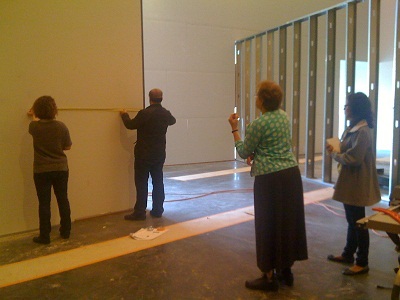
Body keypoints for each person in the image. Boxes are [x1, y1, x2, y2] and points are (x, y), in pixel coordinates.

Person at [228, 80, 308, 292]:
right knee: (287, 223)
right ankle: (286, 270)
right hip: (291, 176)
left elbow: (244, 151)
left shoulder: (258, 124)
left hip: (269, 181)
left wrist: (234, 129)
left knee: (267, 225)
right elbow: (273, 144)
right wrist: (259, 152)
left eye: (257, 95)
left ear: (261, 100)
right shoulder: (284, 117)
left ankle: (268, 276)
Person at [326, 92, 381, 275]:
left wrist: (335, 154)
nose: (345, 109)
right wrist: (336, 147)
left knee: (358, 223)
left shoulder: (363, 131)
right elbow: (346, 148)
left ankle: (362, 261)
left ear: (355, 108)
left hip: (357, 183)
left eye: (347, 106)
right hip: (350, 182)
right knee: (352, 220)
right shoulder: (353, 128)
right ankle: (348, 254)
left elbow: (354, 158)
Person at [120, 88, 176, 220]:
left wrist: (124, 114)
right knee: (158, 181)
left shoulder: (145, 113)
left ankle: (140, 212)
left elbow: (130, 125)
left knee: (141, 183)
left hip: (143, 154)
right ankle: (157, 210)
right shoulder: (165, 113)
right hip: (159, 154)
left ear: (149, 98)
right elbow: (173, 121)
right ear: (161, 98)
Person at [28, 96, 72, 244]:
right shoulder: (61, 126)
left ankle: (44, 236)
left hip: (41, 170)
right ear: (54, 110)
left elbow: (34, 119)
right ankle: (66, 231)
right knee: (62, 199)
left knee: (44, 203)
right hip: (61, 168)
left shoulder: (34, 127)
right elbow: (67, 147)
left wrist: (33, 113)